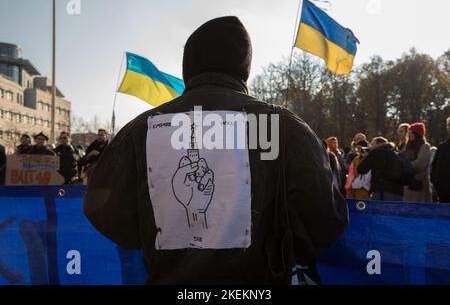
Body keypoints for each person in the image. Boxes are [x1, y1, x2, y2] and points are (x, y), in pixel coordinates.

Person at [83, 16, 348, 285]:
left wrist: (162, 225)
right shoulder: (283, 128)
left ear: (189, 66)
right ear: (243, 67)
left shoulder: (139, 131)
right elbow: (326, 220)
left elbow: (105, 212)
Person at [357, 137, 404, 201]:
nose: (370, 146)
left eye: (372, 144)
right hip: (397, 192)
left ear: (378, 144)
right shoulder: (397, 153)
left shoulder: (375, 153)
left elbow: (361, 169)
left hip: (380, 191)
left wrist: (367, 157)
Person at [403, 122, 432, 203]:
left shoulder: (425, 146)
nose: (409, 135)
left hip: (418, 184)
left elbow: (420, 164)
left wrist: (405, 166)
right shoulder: (407, 147)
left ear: (417, 134)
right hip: (407, 185)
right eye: (408, 133)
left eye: (411, 133)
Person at [431, 116, 450, 203]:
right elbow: (434, 168)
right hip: (444, 195)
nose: (449, 127)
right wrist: (437, 186)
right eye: (448, 125)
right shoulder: (442, 147)